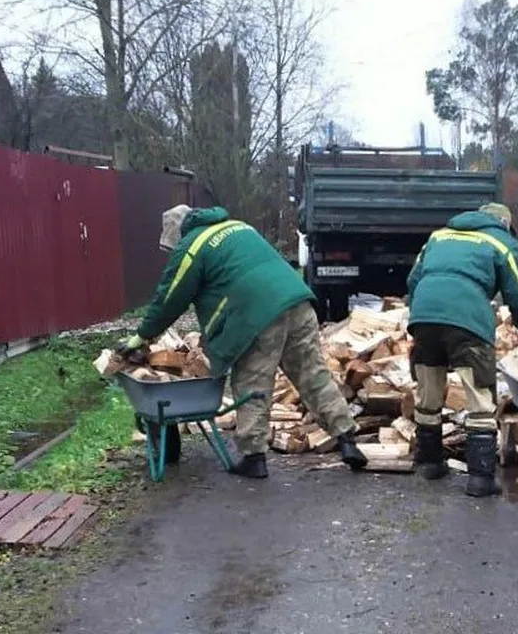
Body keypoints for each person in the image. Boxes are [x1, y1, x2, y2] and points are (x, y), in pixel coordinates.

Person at [117, 204, 368, 479]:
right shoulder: (238, 226)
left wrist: (142, 336)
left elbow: (169, 298)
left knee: (252, 382)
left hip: (257, 314)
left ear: (177, 234)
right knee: (313, 374)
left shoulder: (192, 245)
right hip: (297, 302)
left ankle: (254, 456)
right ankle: (347, 440)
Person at [406, 203, 518, 497]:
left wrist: (419, 313)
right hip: (467, 321)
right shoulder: (501, 241)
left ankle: (429, 463)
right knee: (479, 396)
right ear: (504, 223)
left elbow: (413, 280)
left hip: (424, 318)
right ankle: (480, 478)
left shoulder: (438, 236)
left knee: (428, 391)